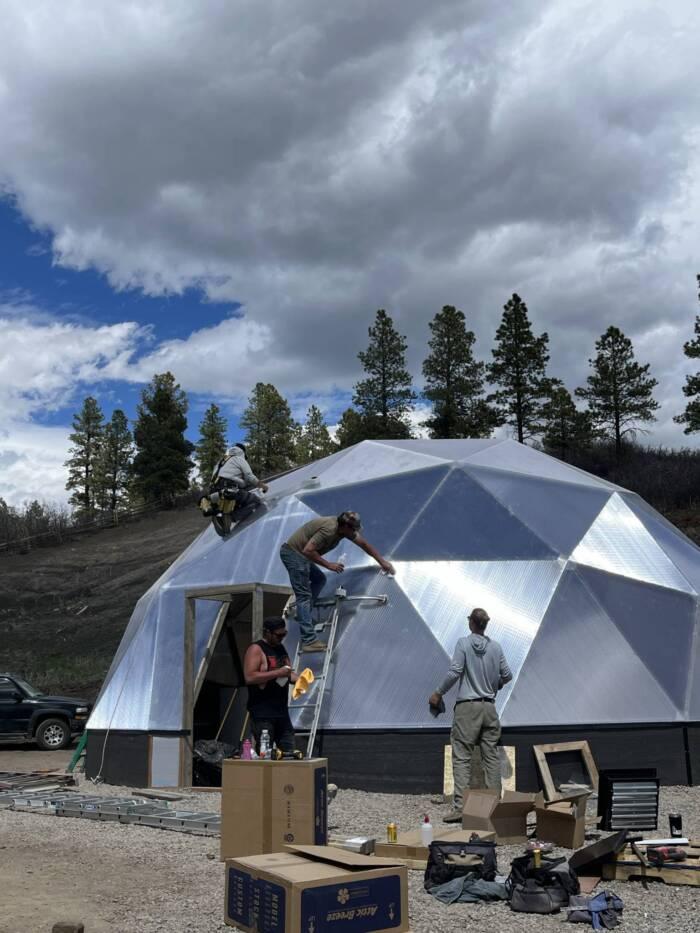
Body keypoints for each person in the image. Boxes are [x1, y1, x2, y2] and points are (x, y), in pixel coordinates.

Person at [428, 608, 512, 823]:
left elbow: (455, 671)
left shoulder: (463, 644)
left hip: (468, 708)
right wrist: (495, 685)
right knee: (491, 757)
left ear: (471, 623)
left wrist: (438, 692)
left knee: (462, 757)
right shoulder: (496, 647)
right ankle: (496, 806)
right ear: (485, 624)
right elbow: (507, 675)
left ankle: (461, 808)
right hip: (490, 708)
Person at [280, 511, 396, 652]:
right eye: (353, 529)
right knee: (303, 595)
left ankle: (304, 611)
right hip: (294, 554)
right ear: (345, 527)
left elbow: (364, 544)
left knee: (319, 579)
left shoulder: (344, 531)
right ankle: (308, 640)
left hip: (301, 556)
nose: (354, 532)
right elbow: (308, 550)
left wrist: (382, 562)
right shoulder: (329, 530)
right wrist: (329, 565)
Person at [243, 617, 297, 755]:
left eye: (284, 634)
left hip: (282, 712)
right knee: (265, 754)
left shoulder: (281, 648)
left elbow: (288, 673)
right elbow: (249, 677)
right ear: (267, 632)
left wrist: (302, 679)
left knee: (289, 752)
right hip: (263, 714)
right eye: (279, 635)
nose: (282, 638)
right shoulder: (256, 649)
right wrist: (278, 672)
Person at [212, 443, 268, 524]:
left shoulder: (220, 463)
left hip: (214, 492)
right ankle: (232, 517)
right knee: (256, 501)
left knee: (239, 500)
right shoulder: (238, 458)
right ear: (243, 452)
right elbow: (249, 476)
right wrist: (263, 486)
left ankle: (225, 514)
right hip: (228, 488)